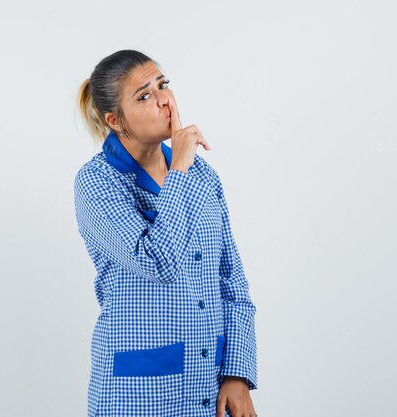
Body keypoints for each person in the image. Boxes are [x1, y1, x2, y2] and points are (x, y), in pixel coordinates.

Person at [74, 49, 258, 417]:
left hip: (211, 385)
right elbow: (159, 262)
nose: (164, 100)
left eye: (163, 85)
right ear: (115, 120)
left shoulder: (203, 176)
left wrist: (238, 373)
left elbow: (232, 281)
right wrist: (180, 168)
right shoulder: (97, 183)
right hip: (139, 394)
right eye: (144, 96)